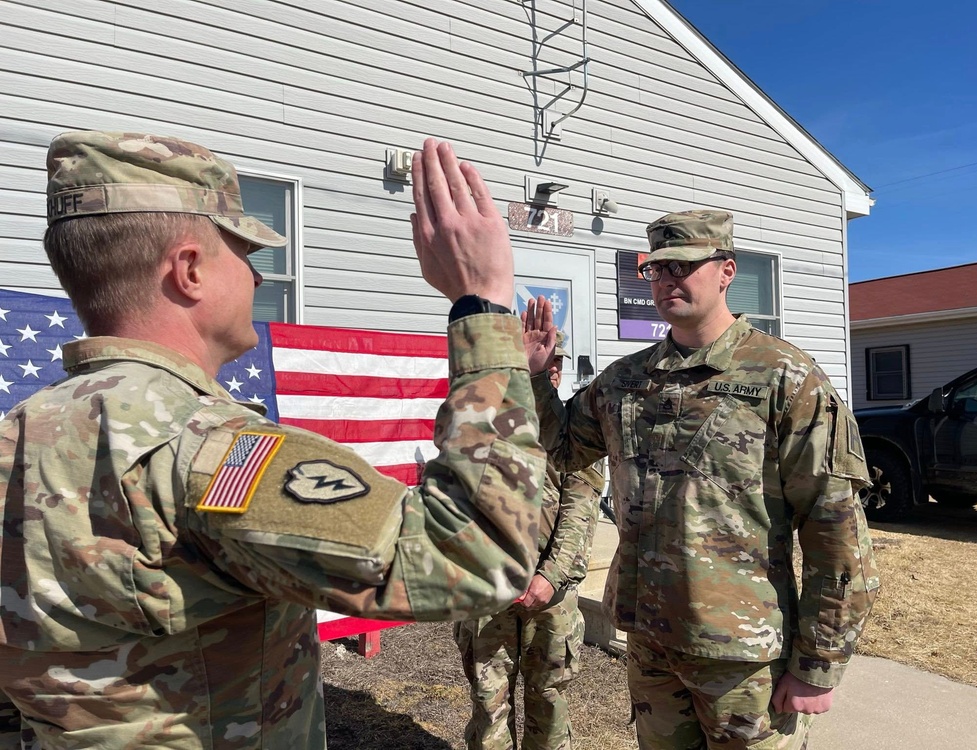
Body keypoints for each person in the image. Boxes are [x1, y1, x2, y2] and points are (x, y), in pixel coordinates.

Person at [0, 131, 548, 748]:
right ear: (188, 271)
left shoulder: (17, 435)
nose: (258, 279)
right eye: (245, 254)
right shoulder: (207, 448)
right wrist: (484, 304)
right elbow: (473, 557)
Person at [522, 210, 879, 749]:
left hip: (743, 653)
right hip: (650, 640)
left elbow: (836, 528)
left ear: (726, 270)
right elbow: (563, 452)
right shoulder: (624, 381)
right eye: (656, 269)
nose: (668, 280)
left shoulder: (784, 377)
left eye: (684, 266)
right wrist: (534, 380)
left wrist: (818, 662)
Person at [454, 332, 605, 750]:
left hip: (550, 596)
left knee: (549, 701)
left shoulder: (577, 434)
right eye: (541, 363)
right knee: (489, 704)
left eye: (557, 363)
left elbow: (581, 510)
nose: (552, 369)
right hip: (489, 590)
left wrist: (550, 577)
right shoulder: (479, 428)